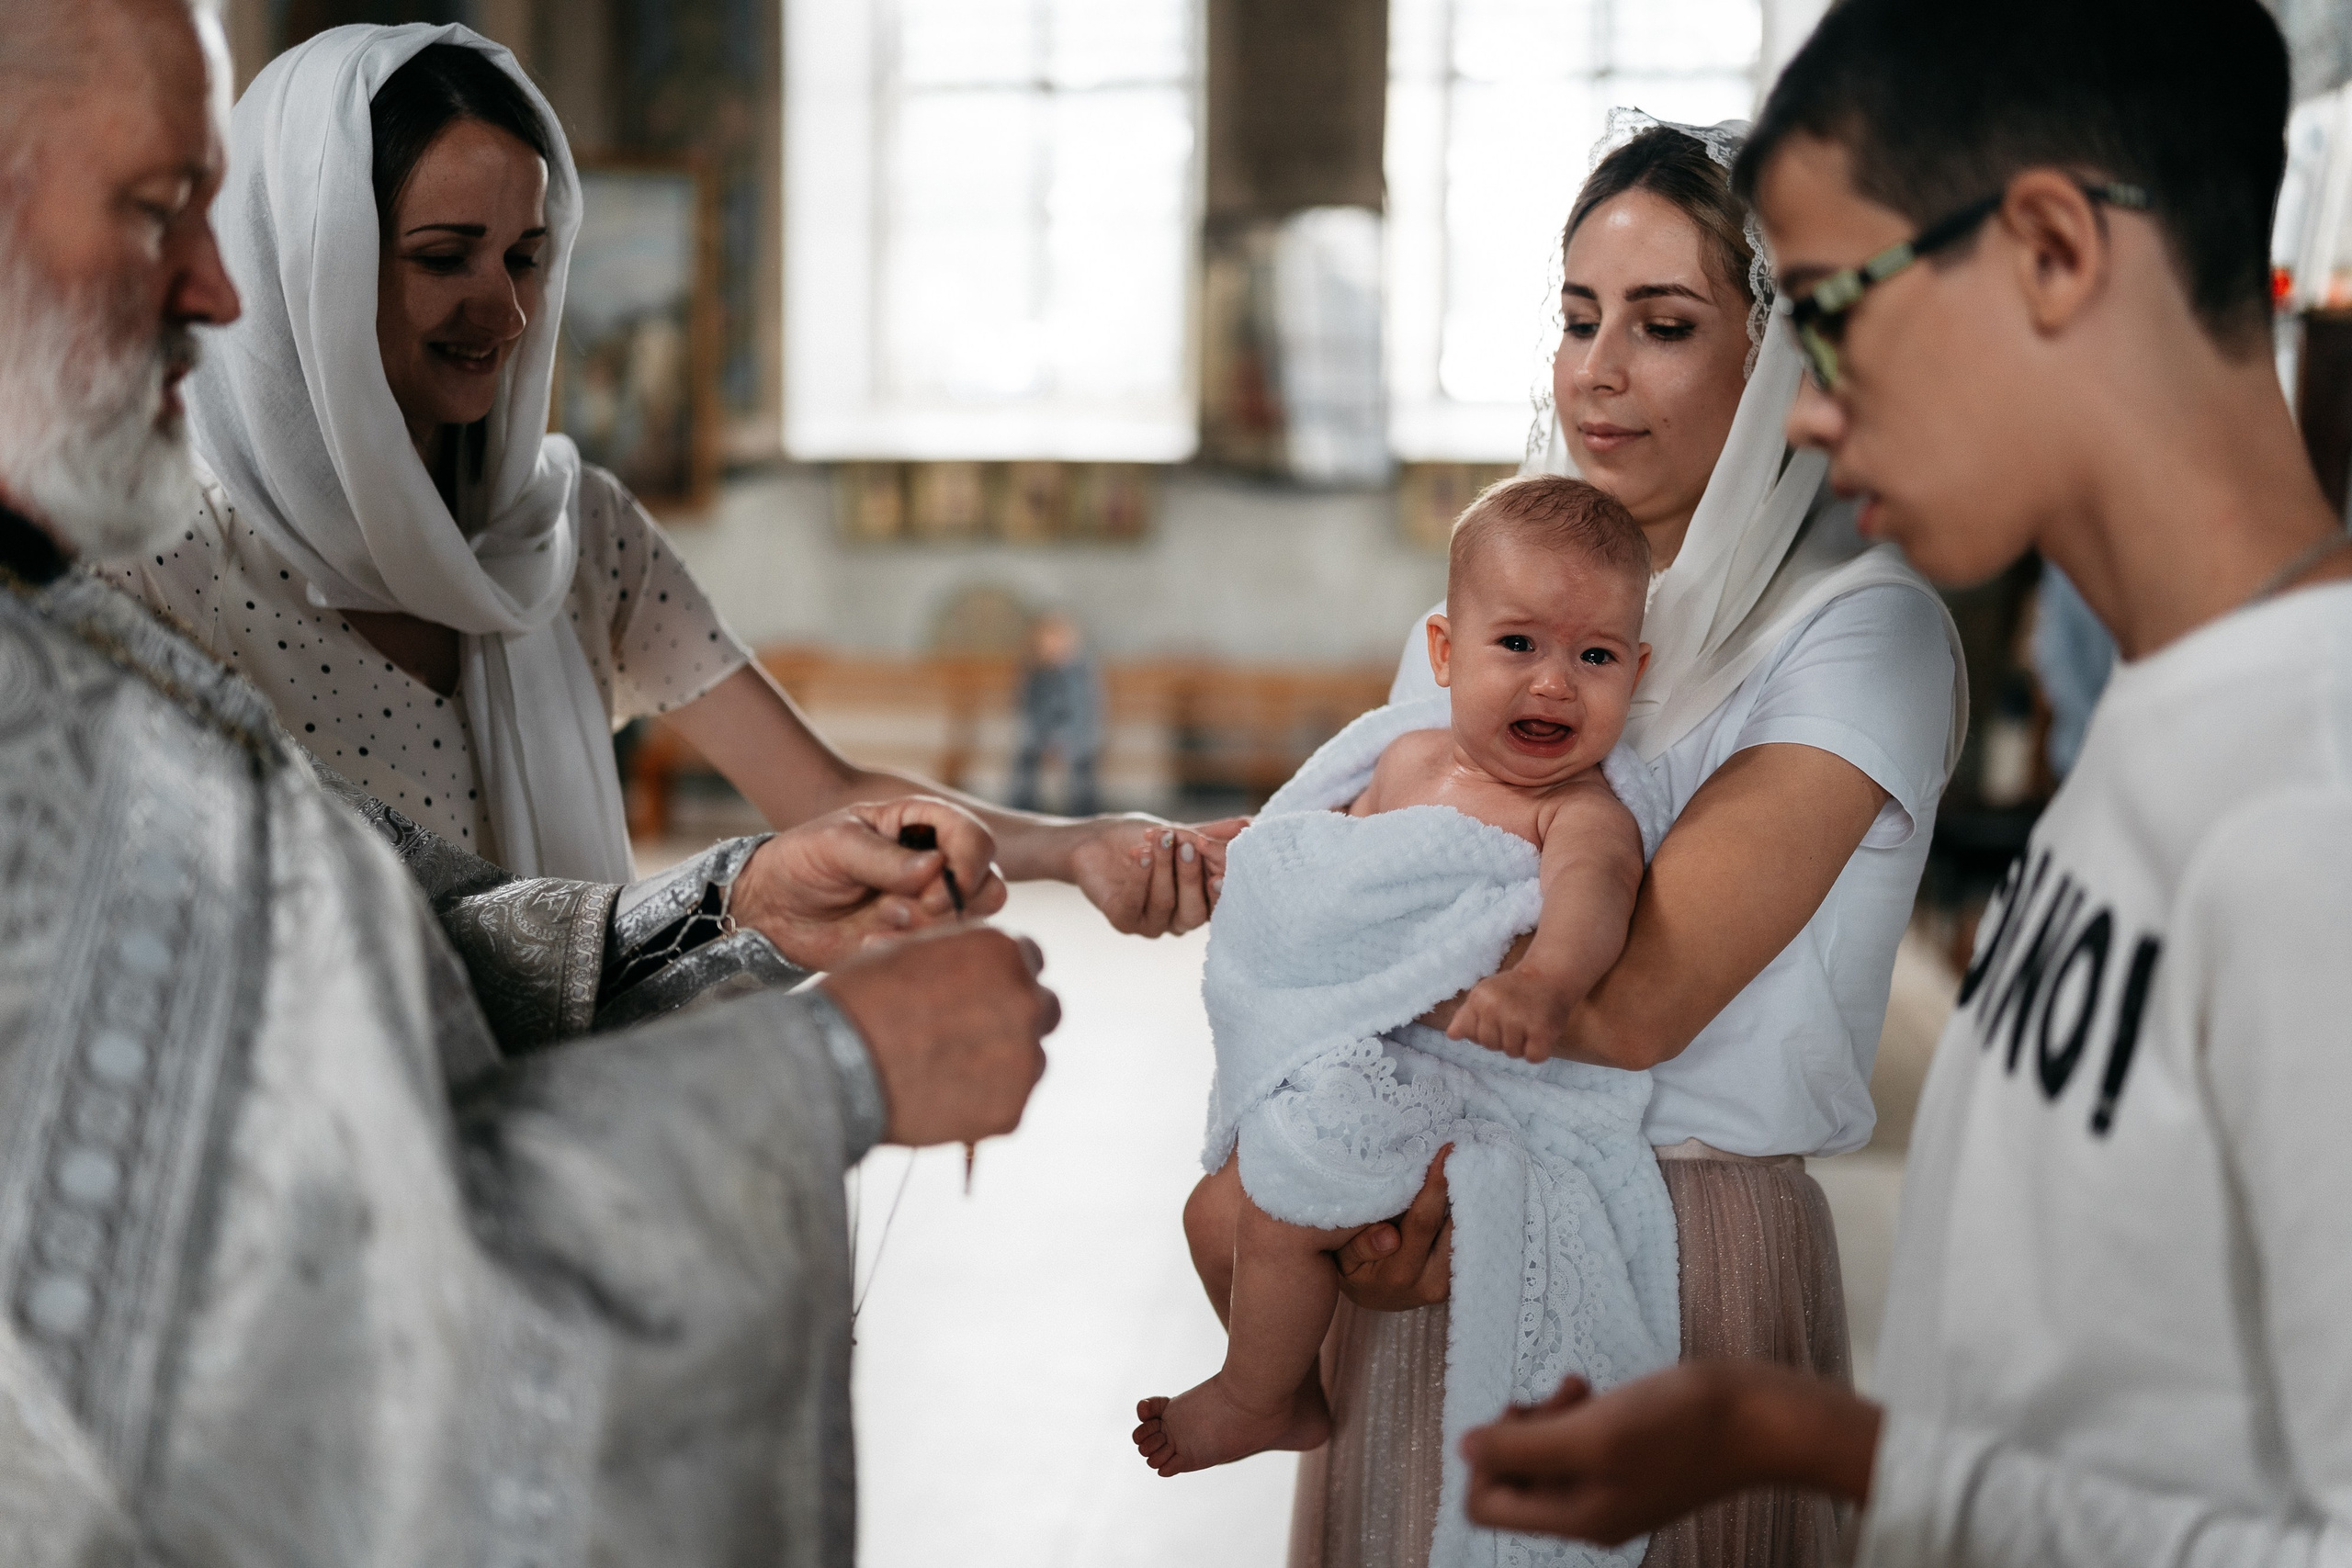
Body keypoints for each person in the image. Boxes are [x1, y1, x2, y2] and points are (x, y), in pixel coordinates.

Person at [0, 2, 1058, 1562]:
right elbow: (302, 1301)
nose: (215, 288)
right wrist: (825, 1076)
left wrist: (732, 903)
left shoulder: (66, 648)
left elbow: (359, 915)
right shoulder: (121, 612)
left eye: (529, 254)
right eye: (159, 210)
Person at [1457, 5, 2352, 1565]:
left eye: (1829, 311)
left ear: (2055, 251)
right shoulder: (2160, 731)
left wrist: (1797, 1435)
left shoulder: (2308, 804)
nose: (1803, 408)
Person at [109, 23, 1233, 933]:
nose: (503, 311)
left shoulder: (569, 532)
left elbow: (823, 792)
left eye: (527, 258)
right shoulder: (158, 572)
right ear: (305, 269)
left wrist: (1080, 842)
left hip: (579, 1123)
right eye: (442, 257)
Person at [1301, 118, 1968, 1568]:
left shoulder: (1860, 632)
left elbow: (1637, 998)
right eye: (1576, 317)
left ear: (1780, 358)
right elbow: (1338, 880)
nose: (1597, 370)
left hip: (1682, 1258)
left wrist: (1324, 977)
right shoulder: (1508, 606)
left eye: (1662, 324)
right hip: (1427, 1232)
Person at [1136, 479, 1672, 1535]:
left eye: (1595, 657)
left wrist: (1543, 981)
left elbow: (1592, 902)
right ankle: (1287, 1387)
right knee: (1211, 1215)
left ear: (1636, 671)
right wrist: (1254, 852)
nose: (1555, 684)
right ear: (1443, 651)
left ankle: (1251, 1397)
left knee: (1291, 1191)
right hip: (1357, 1039)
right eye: (1517, 644)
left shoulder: (1577, 807)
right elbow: (1330, 858)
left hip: (1455, 1081)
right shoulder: (1402, 756)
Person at [1011, 609, 1103, 818]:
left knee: (1082, 767)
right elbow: (1029, 710)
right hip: (1042, 735)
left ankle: (1084, 815)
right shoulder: (1034, 672)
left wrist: (1063, 739)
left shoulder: (1081, 672)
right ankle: (1021, 814)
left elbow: (1083, 713)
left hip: (1077, 735)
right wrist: (1045, 740)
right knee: (1024, 754)